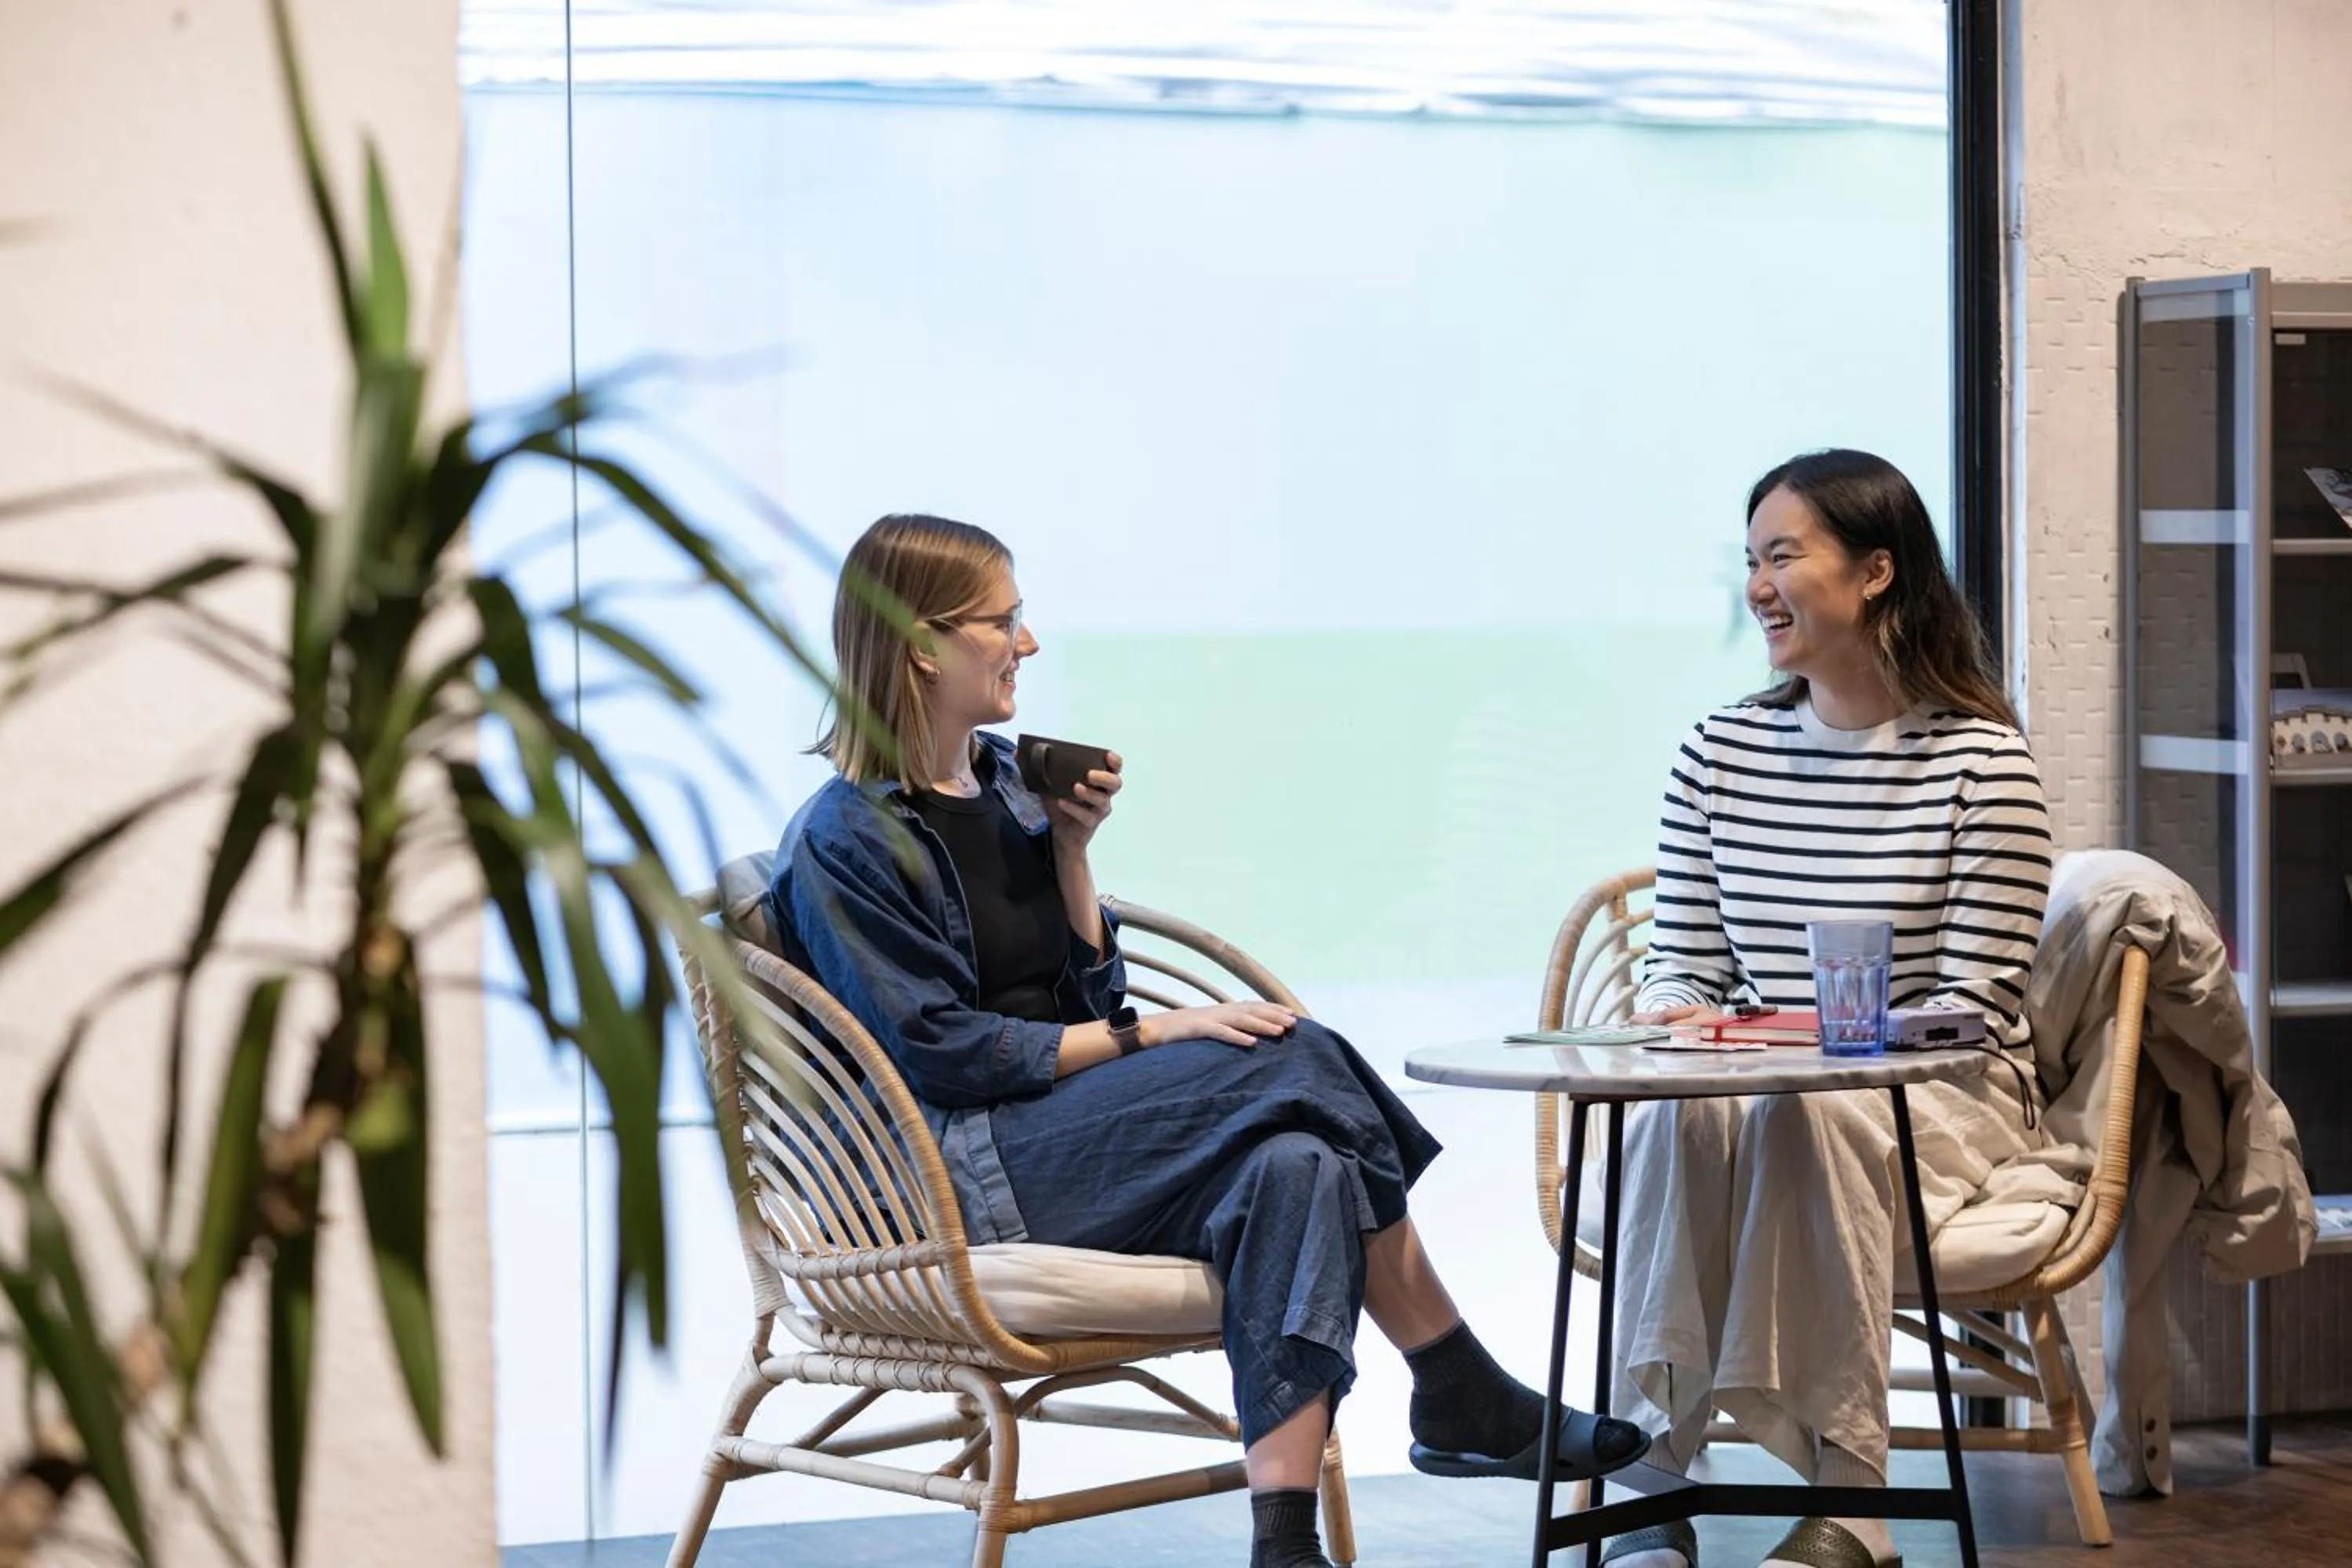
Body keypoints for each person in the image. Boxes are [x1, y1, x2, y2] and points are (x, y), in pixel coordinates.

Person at [768, 513, 1646, 1568]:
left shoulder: (1008, 783)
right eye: (1005, 621)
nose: (1028, 644)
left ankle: (1285, 1546)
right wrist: (1156, 1035)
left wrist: (1073, 859)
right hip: (956, 1176)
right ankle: (1456, 1381)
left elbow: (1086, 991)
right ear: (919, 644)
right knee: (1297, 1056)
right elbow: (948, 1055)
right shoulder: (843, 838)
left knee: (1301, 1164)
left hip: (1071, 1144)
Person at [1602, 451, 2052, 1568]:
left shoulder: (1983, 766)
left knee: (1816, 1111)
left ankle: (1855, 1503)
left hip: (1941, 1096)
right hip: (1776, 1078)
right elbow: (1683, 964)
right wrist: (1678, 1018)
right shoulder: (1720, 753)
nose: (1758, 585)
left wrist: (1817, 1051)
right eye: (1749, 560)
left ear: (1877, 574)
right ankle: (1653, 1472)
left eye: (1783, 555)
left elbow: (1975, 1009)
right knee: (1672, 1112)